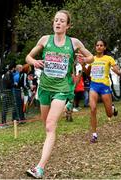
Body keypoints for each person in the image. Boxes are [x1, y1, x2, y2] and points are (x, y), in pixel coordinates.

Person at [25, 9, 94, 178]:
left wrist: (85, 60)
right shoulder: (45, 40)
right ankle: (50, 143)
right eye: (56, 20)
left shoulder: (74, 42)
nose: (58, 23)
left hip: (63, 88)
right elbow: (28, 57)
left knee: (50, 125)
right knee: (47, 127)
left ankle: (39, 168)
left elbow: (91, 56)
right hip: (45, 89)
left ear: (68, 25)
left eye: (62, 21)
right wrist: (34, 61)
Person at [81, 39, 121, 143]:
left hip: (104, 87)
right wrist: (82, 65)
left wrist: (117, 71)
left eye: (101, 45)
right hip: (94, 86)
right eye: (97, 45)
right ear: (95, 47)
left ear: (104, 47)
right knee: (93, 109)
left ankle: (112, 108)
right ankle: (94, 135)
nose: (99, 47)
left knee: (109, 114)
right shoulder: (92, 59)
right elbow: (87, 72)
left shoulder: (109, 58)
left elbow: (118, 71)